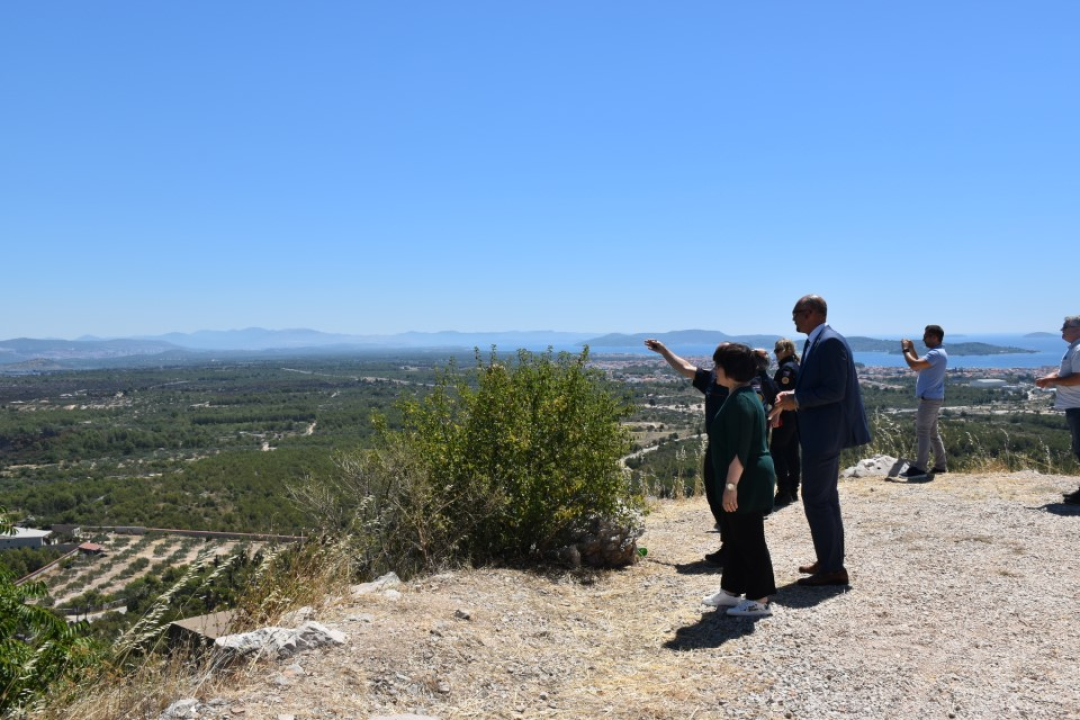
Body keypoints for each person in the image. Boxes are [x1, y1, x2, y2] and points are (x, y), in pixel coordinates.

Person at [770, 295, 871, 587]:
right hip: (820, 432)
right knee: (826, 499)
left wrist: (796, 400)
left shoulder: (829, 342)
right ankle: (829, 560)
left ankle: (832, 568)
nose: (793, 318)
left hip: (825, 434)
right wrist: (791, 399)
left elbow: (835, 390)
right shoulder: (819, 340)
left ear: (811, 313)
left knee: (816, 498)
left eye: (797, 313)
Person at [701, 343, 776, 617]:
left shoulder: (743, 401)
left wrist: (731, 486)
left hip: (747, 480)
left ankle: (759, 598)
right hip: (743, 477)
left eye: (717, 365)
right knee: (734, 536)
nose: (714, 370)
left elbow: (741, 451)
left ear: (728, 370)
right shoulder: (742, 395)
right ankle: (731, 591)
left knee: (750, 539)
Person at [644, 339, 730, 563]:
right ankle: (728, 543)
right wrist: (663, 351)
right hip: (716, 445)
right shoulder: (712, 378)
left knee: (729, 495)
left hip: (732, 447)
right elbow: (685, 368)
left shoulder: (742, 383)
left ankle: (736, 547)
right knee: (713, 491)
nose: (716, 362)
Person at [1035, 316, 1080, 505]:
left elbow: (1078, 378)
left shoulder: (1078, 349)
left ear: (1077, 328)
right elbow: (1066, 373)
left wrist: (1053, 381)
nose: (1061, 330)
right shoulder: (1073, 349)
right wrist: (1051, 377)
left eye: (1065, 326)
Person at [897, 325, 948, 481]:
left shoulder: (935, 354)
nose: (923, 339)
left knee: (923, 432)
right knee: (932, 433)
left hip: (929, 400)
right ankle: (940, 465)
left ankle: (920, 467)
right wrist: (912, 349)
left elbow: (913, 365)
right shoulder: (939, 354)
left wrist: (905, 349)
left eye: (925, 336)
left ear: (934, 337)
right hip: (934, 398)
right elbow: (919, 365)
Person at [770, 339, 801, 506]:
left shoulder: (786, 370)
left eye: (778, 350)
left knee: (777, 450)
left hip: (786, 415)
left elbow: (781, 395)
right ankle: (794, 489)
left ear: (788, 350)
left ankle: (784, 491)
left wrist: (775, 415)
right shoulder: (797, 365)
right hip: (797, 415)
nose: (775, 353)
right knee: (792, 452)